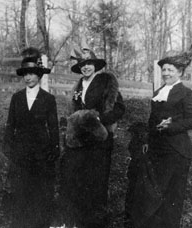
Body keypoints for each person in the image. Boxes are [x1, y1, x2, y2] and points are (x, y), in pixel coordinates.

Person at [128, 41, 192, 228]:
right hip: (157, 151)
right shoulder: (159, 92)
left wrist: (171, 126)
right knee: (152, 195)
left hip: (177, 152)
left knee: (172, 198)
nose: (166, 73)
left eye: (171, 70)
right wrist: (146, 139)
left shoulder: (186, 94)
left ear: (180, 72)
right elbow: (152, 119)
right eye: (164, 70)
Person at [58, 41, 125, 228]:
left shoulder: (106, 82)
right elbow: (74, 111)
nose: (85, 67)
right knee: (77, 182)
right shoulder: (78, 86)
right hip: (79, 141)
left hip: (99, 140)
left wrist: (99, 120)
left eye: (89, 64)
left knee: (96, 185)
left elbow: (120, 108)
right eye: (82, 65)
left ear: (95, 65)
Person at [3, 47, 59, 228]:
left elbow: (53, 128)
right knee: (21, 196)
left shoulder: (48, 99)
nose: (28, 77)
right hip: (20, 155)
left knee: (40, 196)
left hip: (41, 156)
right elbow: (10, 125)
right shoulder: (17, 98)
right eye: (25, 74)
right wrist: (9, 148)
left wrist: (54, 149)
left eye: (32, 73)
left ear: (39, 75)